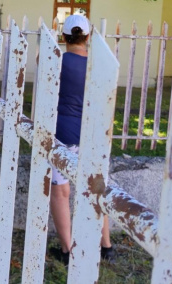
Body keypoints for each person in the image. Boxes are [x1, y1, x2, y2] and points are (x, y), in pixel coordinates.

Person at [48, 14, 114, 266]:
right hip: (93, 135)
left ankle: (68, 250)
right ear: (88, 37)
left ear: (64, 37)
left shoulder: (57, 62)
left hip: (63, 133)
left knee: (61, 191)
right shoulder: (102, 63)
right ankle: (105, 246)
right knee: (97, 188)